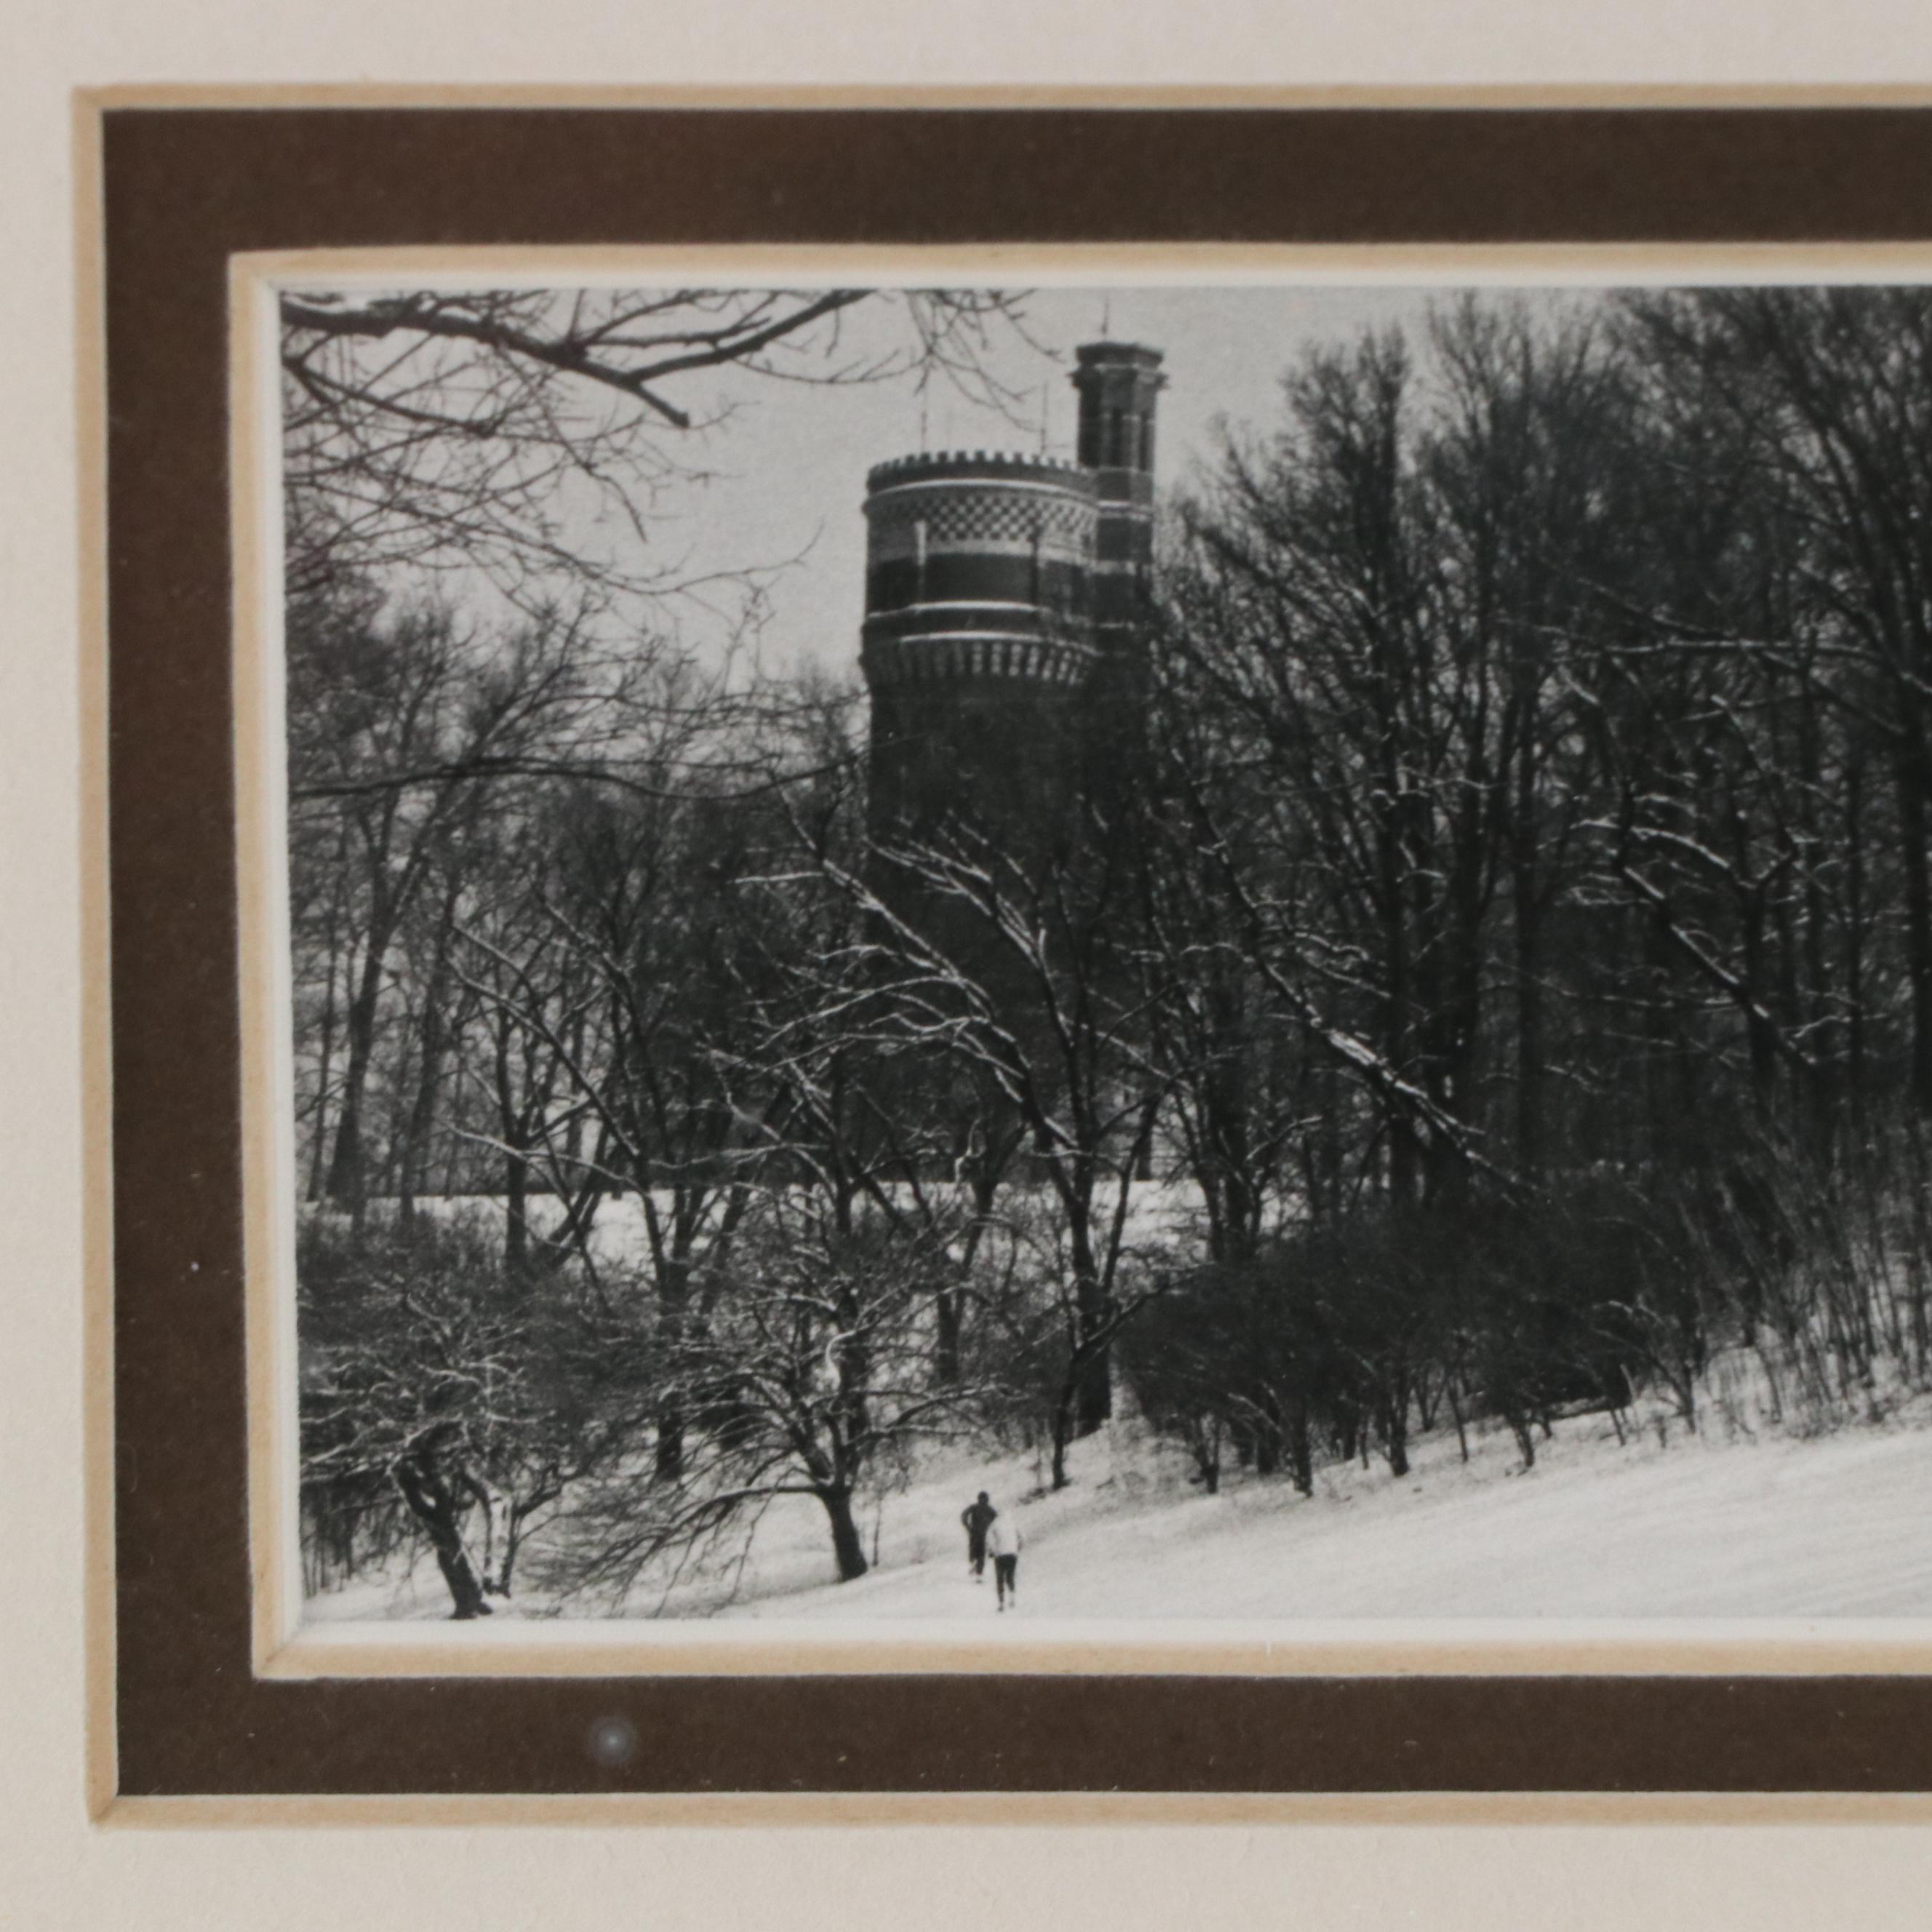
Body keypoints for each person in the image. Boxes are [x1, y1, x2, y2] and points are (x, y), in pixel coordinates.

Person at [986, 1511, 1022, 1612]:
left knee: (1000, 1578)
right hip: (1012, 1554)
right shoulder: (1013, 1523)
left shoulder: (994, 1524)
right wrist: (1017, 1548)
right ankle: (1012, 1597)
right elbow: (1022, 1537)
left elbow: (989, 1540)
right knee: (1010, 1576)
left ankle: (1001, 1603)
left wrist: (993, 1551)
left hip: (1000, 1555)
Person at [960, 1491, 997, 1581]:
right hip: (984, 1534)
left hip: (975, 1534)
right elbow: (997, 1519)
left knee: (974, 1552)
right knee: (981, 1555)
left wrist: (968, 1527)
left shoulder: (975, 1507)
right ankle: (978, 1573)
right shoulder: (989, 1509)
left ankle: (976, 1568)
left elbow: (964, 1516)